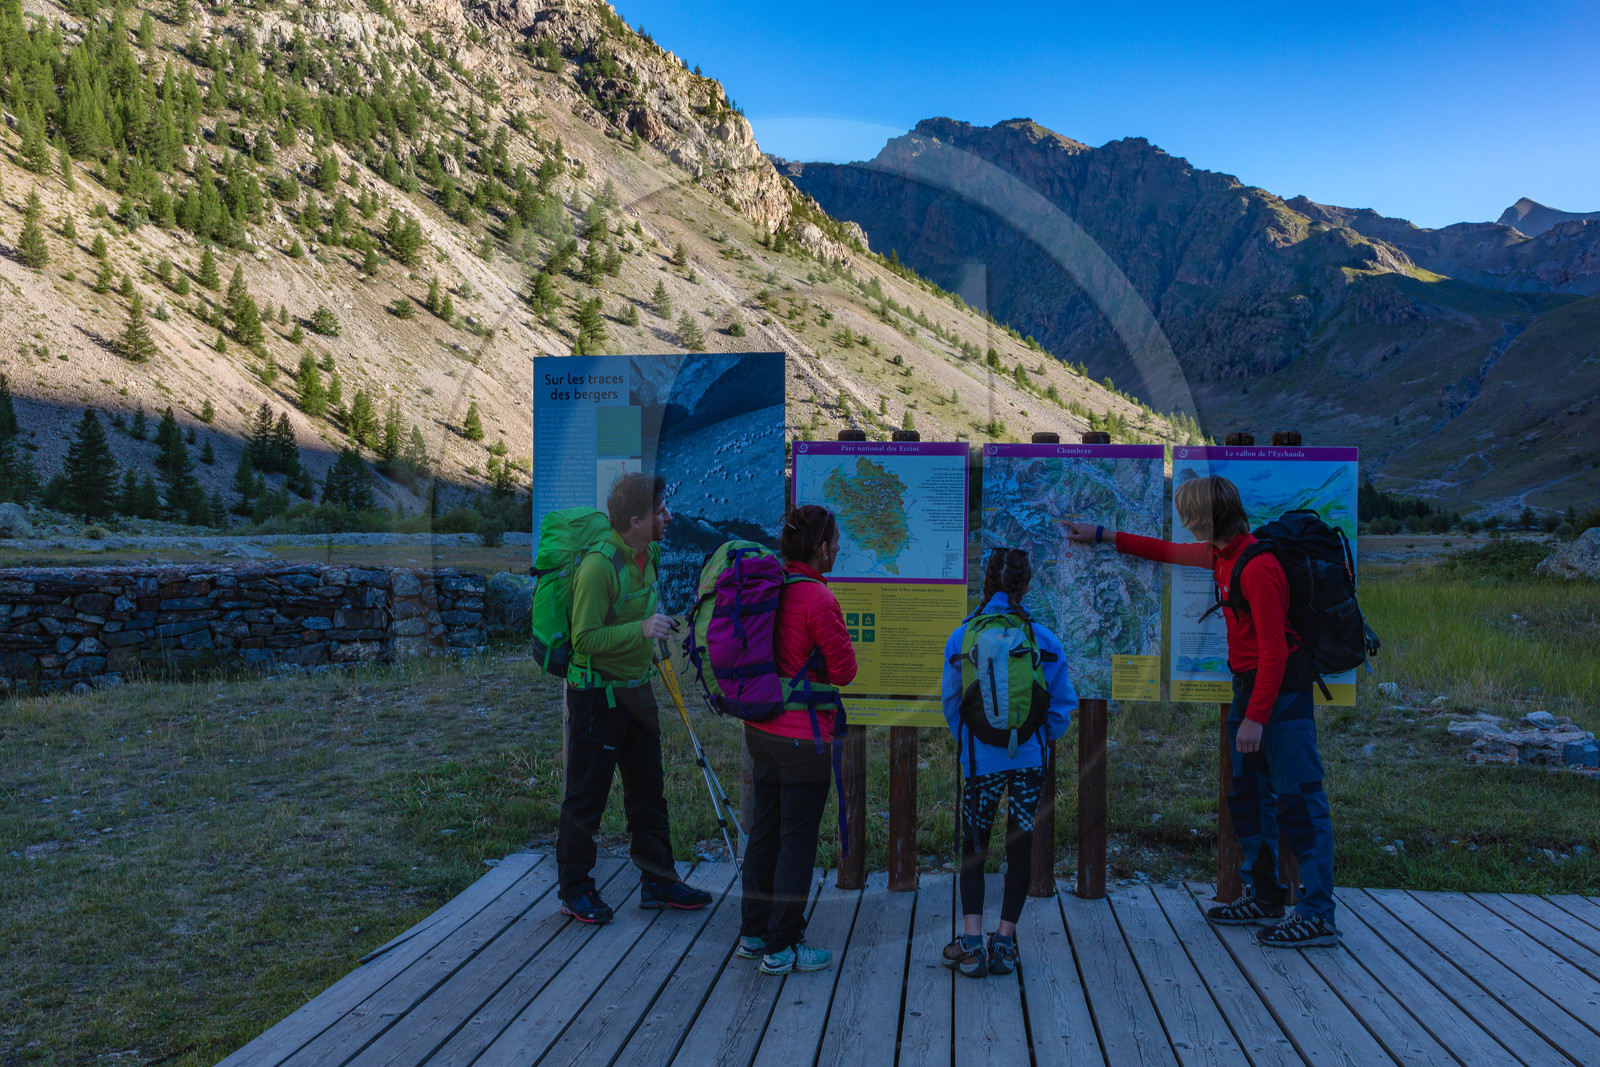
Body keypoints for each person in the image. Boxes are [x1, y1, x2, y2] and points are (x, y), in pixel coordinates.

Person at [1064, 475, 1339, 947]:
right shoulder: (1221, 554)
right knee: (1248, 797)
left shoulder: (1257, 567)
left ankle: (1318, 915)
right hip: (1249, 691)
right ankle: (1267, 895)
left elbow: (1274, 651)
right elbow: (1165, 552)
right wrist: (1103, 535)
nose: (1184, 526)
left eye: (1187, 517)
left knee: (1299, 802)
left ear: (1201, 522)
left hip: (1280, 699)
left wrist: (1255, 717)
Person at [557, 472, 711, 923]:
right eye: (660, 511)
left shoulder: (650, 553)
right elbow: (583, 638)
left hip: (637, 688)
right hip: (596, 696)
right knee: (587, 796)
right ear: (634, 520)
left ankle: (659, 881)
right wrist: (642, 629)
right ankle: (575, 890)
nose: (669, 516)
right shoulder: (599, 566)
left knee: (649, 790)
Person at [940, 548, 1075, 977]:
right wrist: (1034, 742)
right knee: (1020, 845)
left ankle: (973, 943)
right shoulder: (1044, 639)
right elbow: (1061, 708)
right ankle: (1004, 942)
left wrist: (972, 743)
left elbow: (951, 705)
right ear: (1026, 585)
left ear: (987, 585)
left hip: (980, 761)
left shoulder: (962, 638)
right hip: (1030, 759)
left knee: (974, 846)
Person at [739, 504, 857, 976]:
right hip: (802, 738)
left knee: (764, 832)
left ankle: (753, 935)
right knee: (797, 841)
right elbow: (846, 671)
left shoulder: (771, 584)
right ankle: (783, 947)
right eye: (835, 541)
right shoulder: (819, 600)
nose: (838, 549)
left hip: (761, 730)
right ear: (820, 547)